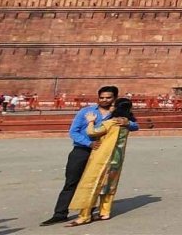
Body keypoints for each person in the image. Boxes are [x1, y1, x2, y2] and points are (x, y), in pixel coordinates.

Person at [43, 85, 139, 225]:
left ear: (114, 99)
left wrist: (128, 122)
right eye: (102, 97)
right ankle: (60, 213)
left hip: (103, 153)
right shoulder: (86, 112)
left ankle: (88, 211)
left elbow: (135, 126)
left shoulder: (116, 115)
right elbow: (73, 132)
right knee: (72, 181)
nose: (104, 100)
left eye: (108, 98)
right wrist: (89, 144)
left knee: (97, 182)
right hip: (82, 150)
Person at [65, 98, 135, 226]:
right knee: (109, 184)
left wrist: (91, 121)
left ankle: (84, 216)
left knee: (91, 183)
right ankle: (105, 212)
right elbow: (135, 125)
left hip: (102, 157)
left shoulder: (111, 122)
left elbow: (91, 132)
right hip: (117, 158)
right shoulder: (126, 124)